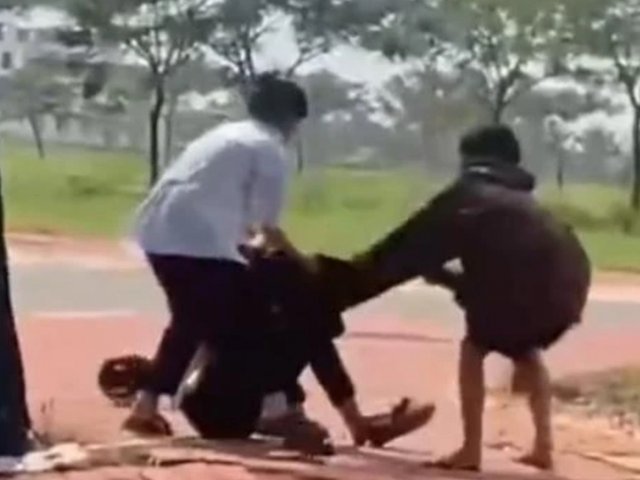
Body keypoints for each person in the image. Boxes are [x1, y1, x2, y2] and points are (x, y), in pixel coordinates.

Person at [266, 125, 591, 472]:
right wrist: (445, 278)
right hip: (569, 291)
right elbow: (498, 269)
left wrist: (326, 274)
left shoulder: (467, 195)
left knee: (475, 348)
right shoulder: (526, 203)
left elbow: (397, 253)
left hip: (516, 290)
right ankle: (543, 446)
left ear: (470, 159)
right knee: (525, 349)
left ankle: (470, 450)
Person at [99, 247, 435, 454]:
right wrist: (355, 421)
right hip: (227, 404)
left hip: (208, 402)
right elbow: (323, 359)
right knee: (305, 338)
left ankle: (282, 414)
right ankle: (281, 417)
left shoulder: (254, 278)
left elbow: (191, 329)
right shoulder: (299, 294)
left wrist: (152, 387)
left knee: (258, 337)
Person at [123, 72, 310, 436]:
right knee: (253, 320)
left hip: (159, 230)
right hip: (198, 240)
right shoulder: (268, 149)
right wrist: (303, 264)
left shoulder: (226, 134)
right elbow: (267, 229)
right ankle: (275, 410)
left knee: (193, 320)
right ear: (290, 120)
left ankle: (145, 407)